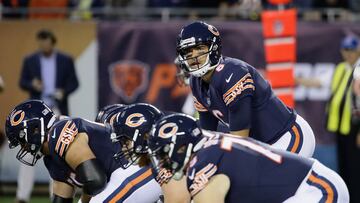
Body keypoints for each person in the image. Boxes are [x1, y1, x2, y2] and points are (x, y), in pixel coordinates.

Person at [175, 21, 315, 158]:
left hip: (285, 136)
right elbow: (208, 134)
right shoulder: (195, 82)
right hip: (260, 146)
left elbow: (239, 142)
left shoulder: (232, 73)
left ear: (214, 48)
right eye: (188, 52)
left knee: (266, 178)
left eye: (200, 48)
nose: (194, 56)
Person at [148, 113, 350, 203]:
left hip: (316, 188)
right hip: (310, 185)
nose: (163, 159)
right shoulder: (209, 147)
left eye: (163, 152)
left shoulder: (203, 161)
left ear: (182, 146)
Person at [5, 100, 161, 203]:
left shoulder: (58, 132)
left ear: (35, 129)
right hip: (127, 174)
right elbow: (62, 199)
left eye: (21, 139)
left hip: (135, 168)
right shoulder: (50, 156)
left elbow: (95, 180)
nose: (23, 146)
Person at [17, 29, 79, 203]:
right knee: (28, 151)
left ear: (53, 41)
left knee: (58, 153)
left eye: (45, 41)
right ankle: (22, 196)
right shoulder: (30, 60)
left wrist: (63, 92)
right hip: (36, 114)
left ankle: (57, 193)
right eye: (40, 41)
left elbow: (74, 82)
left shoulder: (65, 59)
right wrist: (32, 84)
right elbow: (22, 81)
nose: (43, 44)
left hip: (57, 111)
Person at [326, 35, 360, 203]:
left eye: (352, 50)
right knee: (344, 166)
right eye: (345, 50)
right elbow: (327, 87)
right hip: (341, 125)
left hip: (354, 126)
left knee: (355, 168)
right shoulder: (341, 68)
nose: (348, 54)